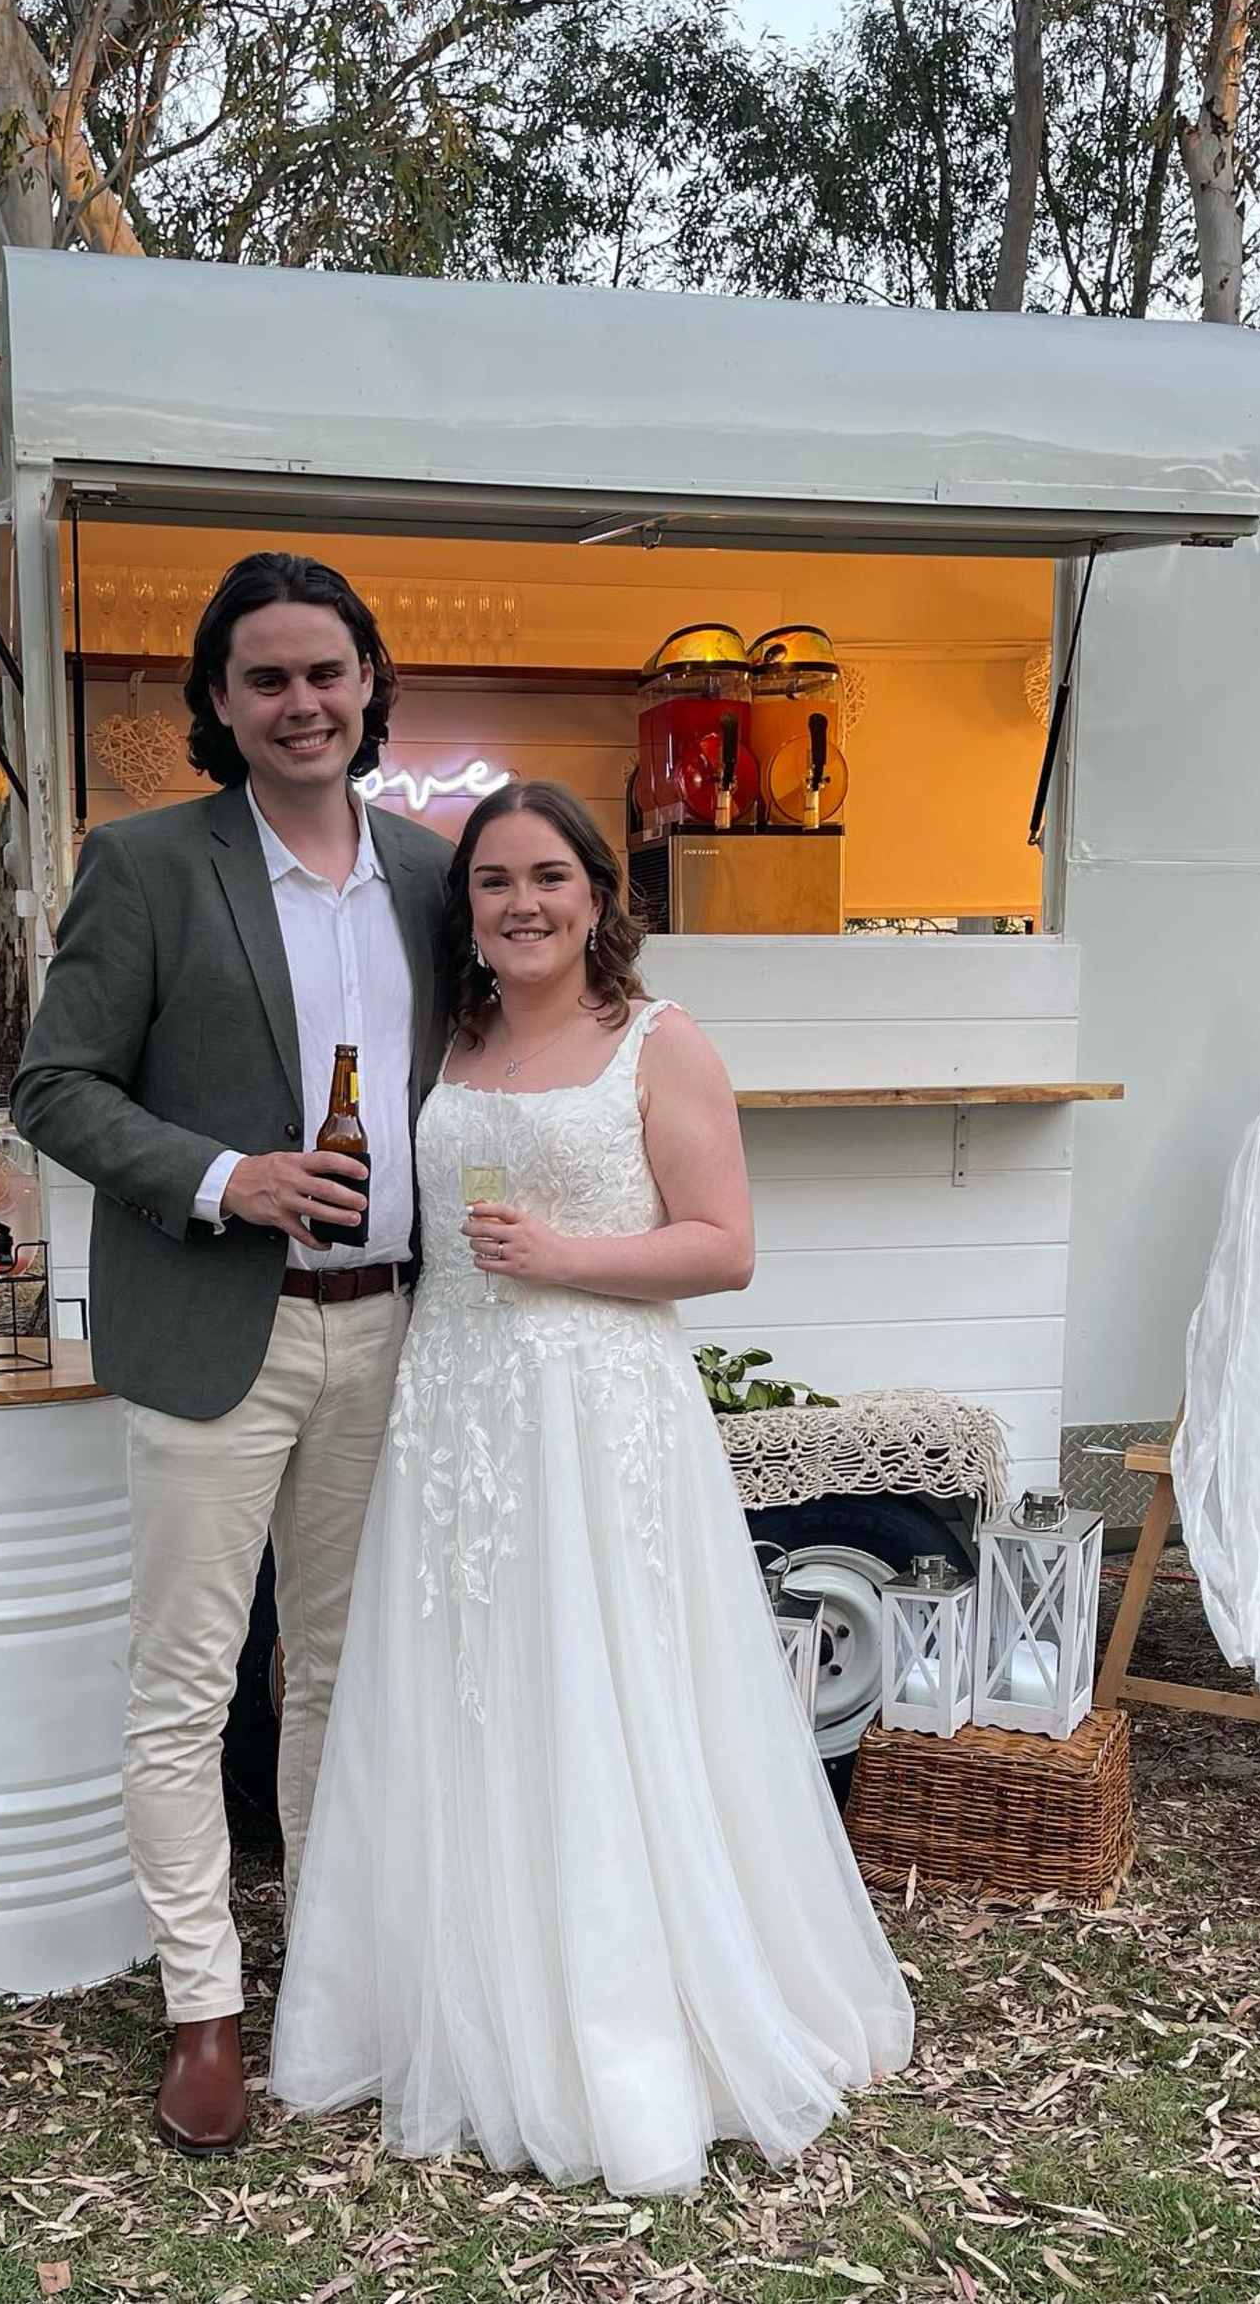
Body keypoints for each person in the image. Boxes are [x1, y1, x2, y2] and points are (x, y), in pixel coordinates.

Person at [270, 780, 913, 2195]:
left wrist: (568, 1259)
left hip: (599, 1411)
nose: (521, 904)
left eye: (548, 877)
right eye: (493, 882)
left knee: (608, 1684)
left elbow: (723, 1246)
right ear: (471, 913)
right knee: (462, 1686)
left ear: (599, 895)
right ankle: (448, 1993)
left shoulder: (656, 1045)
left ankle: (620, 2017)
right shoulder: (451, 1041)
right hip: (453, 1407)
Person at [12, 553, 450, 2156]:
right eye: (264, 678)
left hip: (394, 1327)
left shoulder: (429, 870)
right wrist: (225, 1178)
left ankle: (324, 1980)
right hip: (219, 1328)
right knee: (186, 1687)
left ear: (367, 682)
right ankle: (204, 2007)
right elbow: (54, 1086)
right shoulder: (143, 865)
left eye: (326, 672)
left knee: (340, 1679)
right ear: (216, 702)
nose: (301, 703)